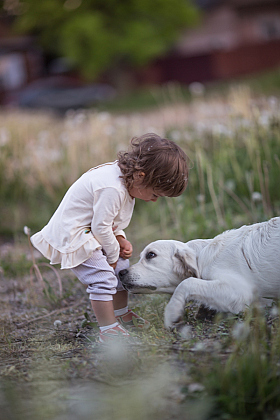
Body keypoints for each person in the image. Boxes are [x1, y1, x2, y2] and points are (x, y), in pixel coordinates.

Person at [31, 133, 189, 343]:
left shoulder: (128, 181)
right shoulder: (112, 188)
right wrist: (113, 253)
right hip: (75, 232)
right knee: (104, 277)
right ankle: (108, 329)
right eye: (155, 194)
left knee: (122, 270)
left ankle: (121, 313)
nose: (153, 200)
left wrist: (120, 238)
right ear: (141, 176)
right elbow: (100, 226)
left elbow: (108, 221)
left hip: (92, 230)